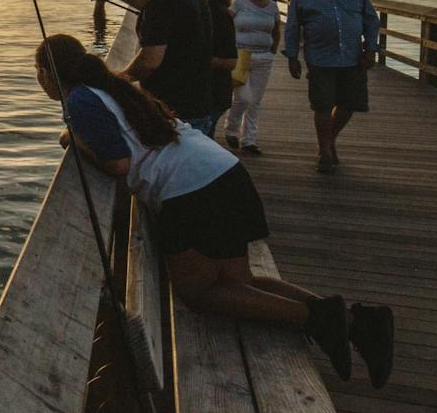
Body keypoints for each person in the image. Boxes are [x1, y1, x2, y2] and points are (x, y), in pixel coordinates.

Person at [33, 33, 394, 387]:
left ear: (47, 74)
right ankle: (357, 323)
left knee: (201, 294)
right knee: (238, 284)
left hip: (191, 193)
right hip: (222, 173)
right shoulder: (111, 86)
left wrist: (75, 139)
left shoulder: (79, 101)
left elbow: (118, 164)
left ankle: (319, 320)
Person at [96, 0, 216, 136]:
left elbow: (150, 61)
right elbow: (156, 7)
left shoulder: (163, 1)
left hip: (174, 112)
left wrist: (118, 79)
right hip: (199, 105)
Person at [283, 0, 378, 174]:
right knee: (323, 105)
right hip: (320, 58)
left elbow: (370, 18)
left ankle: (328, 140)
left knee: (350, 104)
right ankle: (324, 152)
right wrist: (292, 56)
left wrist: (371, 48)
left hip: (352, 56)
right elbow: (293, 26)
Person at [180, 0, 238, 142]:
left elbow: (231, 61)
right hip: (201, 94)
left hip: (212, 95)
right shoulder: (198, 7)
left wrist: (193, 57)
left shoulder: (218, 13)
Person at [227, 0, 281, 153]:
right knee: (242, 97)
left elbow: (276, 30)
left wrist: (273, 49)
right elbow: (226, 23)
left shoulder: (273, 7)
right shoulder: (239, 2)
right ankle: (231, 130)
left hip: (264, 57)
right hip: (241, 54)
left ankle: (249, 140)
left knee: (255, 100)